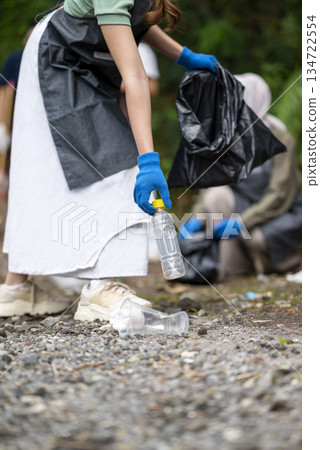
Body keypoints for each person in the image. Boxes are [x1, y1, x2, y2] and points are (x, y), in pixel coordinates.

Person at [0, 0, 219, 319]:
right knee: (115, 161)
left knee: (45, 167)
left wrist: (183, 56)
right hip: (55, 60)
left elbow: (135, 18)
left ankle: (15, 288)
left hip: (80, 63)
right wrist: (148, 161)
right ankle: (101, 288)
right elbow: (136, 78)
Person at [189, 73, 302, 280]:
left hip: (279, 211)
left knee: (256, 239)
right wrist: (198, 216)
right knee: (216, 195)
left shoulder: (281, 138)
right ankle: (231, 269)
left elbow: (279, 195)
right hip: (244, 204)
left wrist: (242, 222)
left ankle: (278, 262)